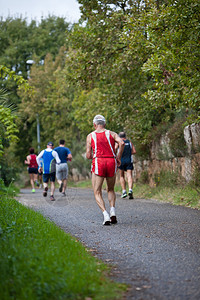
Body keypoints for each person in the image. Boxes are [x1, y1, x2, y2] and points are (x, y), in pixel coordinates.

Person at [86, 114, 125, 225]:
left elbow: (89, 155)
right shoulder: (111, 133)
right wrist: (118, 157)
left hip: (99, 162)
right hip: (111, 162)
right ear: (105, 124)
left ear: (94, 125)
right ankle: (112, 211)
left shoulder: (90, 136)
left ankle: (105, 215)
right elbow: (122, 143)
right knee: (110, 189)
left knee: (97, 191)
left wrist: (92, 153)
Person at [116, 132, 136, 199]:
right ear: (125, 136)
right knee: (129, 175)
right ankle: (130, 190)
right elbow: (134, 151)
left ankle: (124, 191)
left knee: (122, 176)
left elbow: (115, 149)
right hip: (129, 160)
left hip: (121, 161)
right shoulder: (129, 142)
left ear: (119, 136)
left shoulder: (119, 142)